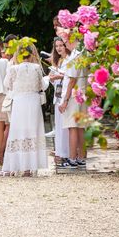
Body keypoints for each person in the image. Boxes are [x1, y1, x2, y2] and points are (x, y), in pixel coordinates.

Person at [1, 43, 48, 176]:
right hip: (33, 101)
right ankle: (30, 167)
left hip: (20, 102)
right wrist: (48, 79)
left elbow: (7, 84)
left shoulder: (14, 69)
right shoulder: (37, 68)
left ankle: (19, 165)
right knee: (32, 131)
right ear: (32, 54)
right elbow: (42, 86)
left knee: (19, 131)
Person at [58, 34, 89, 169]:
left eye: (65, 42)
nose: (65, 45)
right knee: (81, 127)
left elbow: (71, 80)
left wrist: (65, 100)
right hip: (82, 94)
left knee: (73, 127)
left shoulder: (75, 56)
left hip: (73, 96)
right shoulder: (83, 54)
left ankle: (72, 158)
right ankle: (81, 158)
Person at [48, 37, 70, 165]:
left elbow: (70, 76)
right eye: (57, 46)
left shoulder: (69, 60)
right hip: (58, 95)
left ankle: (66, 153)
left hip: (66, 96)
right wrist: (52, 78)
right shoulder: (59, 61)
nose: (59, 48)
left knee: (65, 126)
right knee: (59, 125)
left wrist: (59, 76)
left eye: (61, 45)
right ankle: (60, 152)